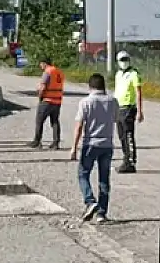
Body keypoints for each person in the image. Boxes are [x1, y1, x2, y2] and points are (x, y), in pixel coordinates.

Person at [69, 72, 119, 222]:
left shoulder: (86, 102)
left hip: (90, 143)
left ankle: (90, 201)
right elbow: (116, 119)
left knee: (83, 174)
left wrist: (73, 147)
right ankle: (101, 213)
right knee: (104, 179)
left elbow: (79, 126)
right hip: (107, 144)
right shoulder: (113, 101)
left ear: (90, 86)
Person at [113, 51, 143, 174]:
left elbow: (138, 92)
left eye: (126, 59)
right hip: (119, 108)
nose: (124, 62)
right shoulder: (118, 74)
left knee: (128, 135)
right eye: (121, 59)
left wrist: (140, 111)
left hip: (129, 108)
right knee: (121, 136)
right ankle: (125, 160)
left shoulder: (134, 74)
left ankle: (131, 162)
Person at [29, 57, 65, 149]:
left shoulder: (47, 72)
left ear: (44, 63)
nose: (40, 66)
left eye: (41, 64)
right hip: (57, 100)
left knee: (39, 120)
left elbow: (43, 87)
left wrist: (40, 97)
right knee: (55, 121)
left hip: (47, 100)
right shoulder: (59, 72)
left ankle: (37, 141)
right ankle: (56, 143)